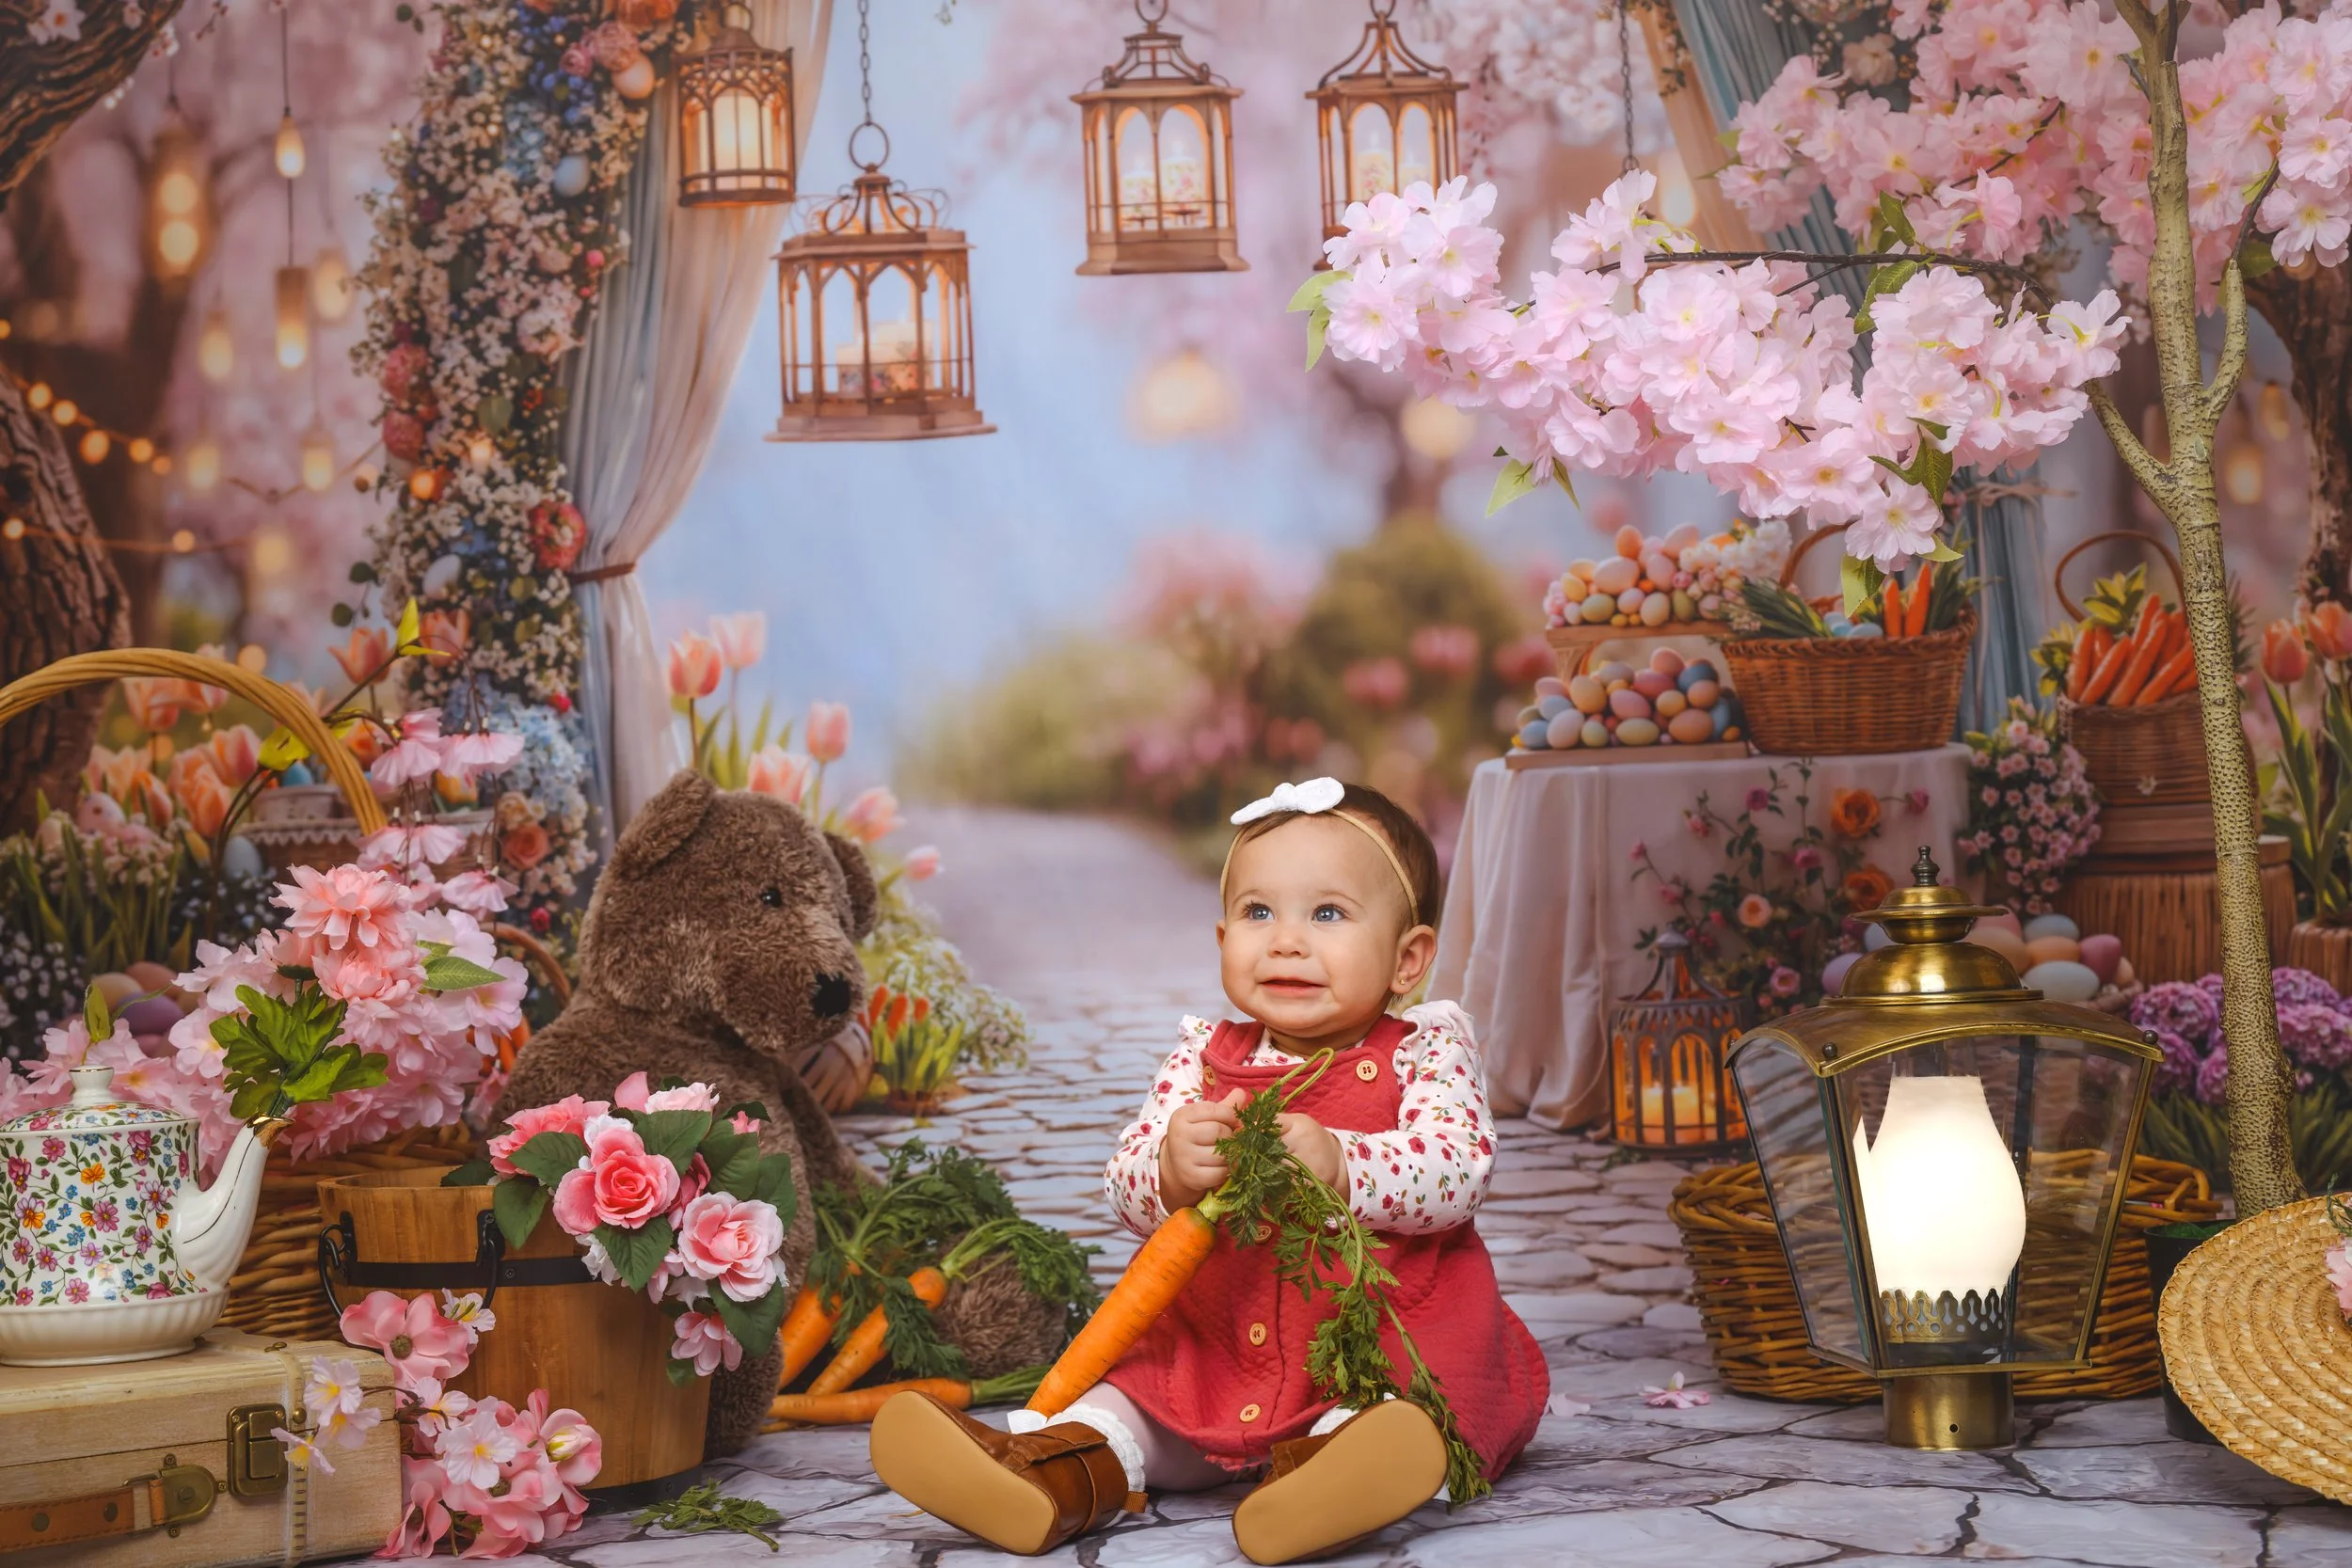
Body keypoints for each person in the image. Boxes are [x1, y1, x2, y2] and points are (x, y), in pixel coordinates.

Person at [868, 778, 1549, 1563]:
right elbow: (1125, 1184)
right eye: (1259, 913)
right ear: (1222, 934)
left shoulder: (1428, 1048)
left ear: (1408, 959)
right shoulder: (1203, 1055)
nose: (1286, 939)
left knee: (1402, 1412)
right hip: (1219, 1345)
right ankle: (1049, 1476)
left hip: (1380, 1337)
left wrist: (1347, 1162)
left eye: (1327, 913)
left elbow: (1461, 1168)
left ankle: (1333, 1482)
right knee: (1132, 1406)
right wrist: (1168, 1166)